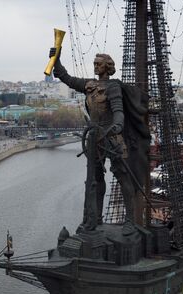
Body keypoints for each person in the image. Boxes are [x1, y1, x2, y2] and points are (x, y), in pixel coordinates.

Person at [50, 48, 137, 234]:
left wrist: (118, 125)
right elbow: (66, 77)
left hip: (112, 136)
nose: (95, 67)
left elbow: (118, 111)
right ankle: (95, 218)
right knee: (94, 179)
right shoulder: (89, 85)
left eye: (99, 64)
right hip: (94, 137)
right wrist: (56, 59)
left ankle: (130, 220)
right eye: (95, 64)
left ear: (107, 67)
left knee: (123, 178)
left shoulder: (113, 87)